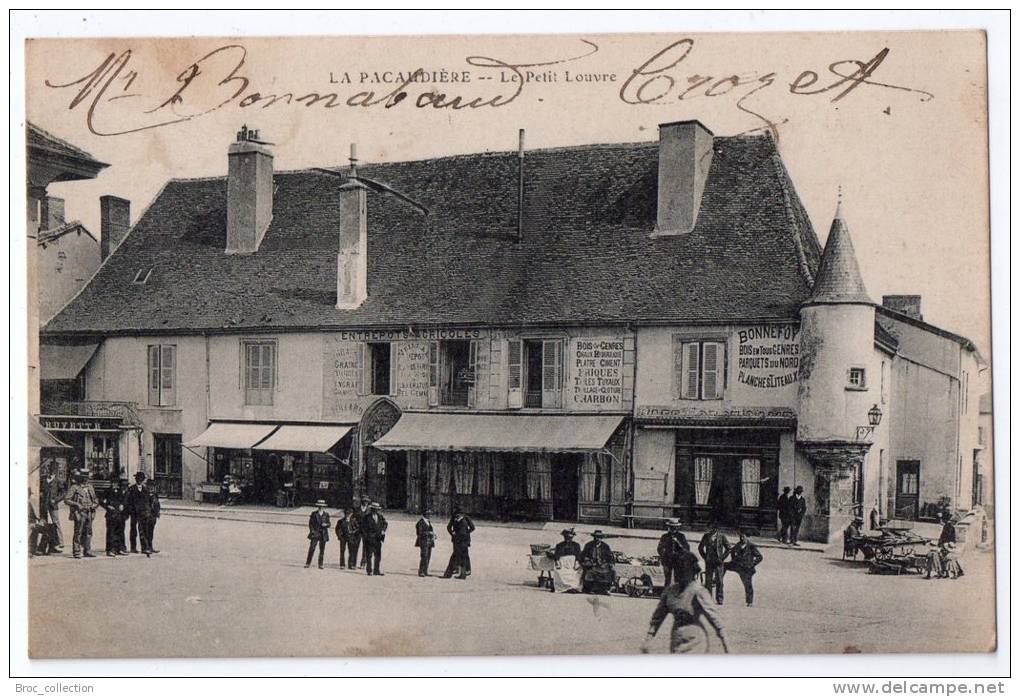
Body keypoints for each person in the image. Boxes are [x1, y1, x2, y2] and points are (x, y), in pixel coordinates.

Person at [641, 552, 730, 655]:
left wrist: (727, 647)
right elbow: (657, 618)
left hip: (696, 641)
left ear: (692, 572)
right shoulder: (669, 592)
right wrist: (648, 639)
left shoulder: (698, 591)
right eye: (677, 570)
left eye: (684, 571)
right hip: (676, 640)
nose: (680, 574)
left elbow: (715, 619)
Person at [66, 470, 99, 559]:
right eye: (84, 478)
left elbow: (96, 500)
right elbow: (67, 499)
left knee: (88, 532)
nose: (85, 479)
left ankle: (87, 550)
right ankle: (76, 551)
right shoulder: (74, 487)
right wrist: (77, 504)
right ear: (80, 478)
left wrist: (94, 505)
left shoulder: (90, 487)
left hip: (89, 512)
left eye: (87, 477)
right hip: (79, 513)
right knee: (78, 532)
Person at [725, 530, 763, 606]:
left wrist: (752, 564)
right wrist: (734, 560)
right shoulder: (738, 545)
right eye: (740, 537)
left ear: (747, 537)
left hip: (747, 568)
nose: (742, 538)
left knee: (747, 584)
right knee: (723, 565)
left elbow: (760, 557)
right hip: (738, 566)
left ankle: (750, 601)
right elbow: (732, 552)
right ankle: (716, 579)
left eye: (743, 537)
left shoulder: (751, 546)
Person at [698, 522, 731, 604]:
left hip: (718, 562)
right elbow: (700, 548)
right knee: (708, 580)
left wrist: (722, 558)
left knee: (719, 580)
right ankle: (708, 598)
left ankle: (719, 598)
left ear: (718, 529)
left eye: (715, 528)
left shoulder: (722, 537)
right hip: (709, 561)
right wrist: (705, 557)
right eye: (712, 528)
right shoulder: (706, 536)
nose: (713, 529)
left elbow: (728, 548)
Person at [579, 530, 616, 595]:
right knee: (590, 572)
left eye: (599, 537)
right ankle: (590, 588)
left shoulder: (605, 546)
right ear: (594, 537)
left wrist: (610, 563)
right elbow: (583, 555)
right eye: (596, 537)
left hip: (602, 564)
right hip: (592, 564)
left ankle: (605, 589)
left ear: (601, 538)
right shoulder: (589, 545)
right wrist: (587, 560)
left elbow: (610, 557)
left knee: (609, 572)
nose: (597, 539)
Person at [443, 509, 476, 580]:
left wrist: (467, 533)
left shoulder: (466, 518)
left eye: (459, 514)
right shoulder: (454, 518)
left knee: (459, 556)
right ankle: (461, 573)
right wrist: (452, 533)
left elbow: (473, 528)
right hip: (457, 540)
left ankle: (450, 574)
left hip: (463, 541)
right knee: (459, 556)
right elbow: (448, 527)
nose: (457, 516)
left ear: (462, 514)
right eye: (456, 514)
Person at [657, 519, 691, 588]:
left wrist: (678, 543)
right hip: (667, 560)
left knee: (678, 578)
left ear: (677, 527)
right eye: (671, 527)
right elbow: (659, 548)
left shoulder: (681, 536)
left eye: (674, 527)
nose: (672, 529)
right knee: (667, 578)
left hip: (678, 560)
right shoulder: (664, 536)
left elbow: (687, 548)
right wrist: (664, 554)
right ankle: (666, 593)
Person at [100, 479, 128, 557]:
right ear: (111, 483)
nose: (115, 484)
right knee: (111, 532)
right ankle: (110, 549)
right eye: (113, 482)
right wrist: (107, 506)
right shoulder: (107, 491)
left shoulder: (121, 491)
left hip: (120, 514)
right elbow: (101, 500)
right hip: (111, 514)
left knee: (120, 532)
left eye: (116, 483)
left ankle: (120, 548)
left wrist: (122, 505)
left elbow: (125, 500)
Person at [40, 467, 65, 553]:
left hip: (53, 505)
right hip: (44, 505)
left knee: (56, 522)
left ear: (55, 473)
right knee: (45, 524)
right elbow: (41, 490)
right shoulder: (44, 480)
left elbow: (63, 493)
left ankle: (60, 542)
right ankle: (48, 544)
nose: (50, 473)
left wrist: (56, 499)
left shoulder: (57, 481)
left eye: (52, 472)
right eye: (49, 472)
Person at [360, 502, 388, 576]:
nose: (375, 511)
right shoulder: (367, 517)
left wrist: (383, 530)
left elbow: (385, 523)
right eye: (374, 509)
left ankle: (376, 570)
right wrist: (366, 537)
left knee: (378, 555)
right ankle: (369, 570)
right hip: (369, 539)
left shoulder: (380, 516)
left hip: (378, 539)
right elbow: (362, 528)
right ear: (372, 509)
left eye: (377, 509)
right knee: (369, 555)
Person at [125, 472, 148, 553]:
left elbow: (146, 502)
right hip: (134, 513)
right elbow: (128, 501)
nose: (139, 480)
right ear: (136, 479)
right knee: (133, 530)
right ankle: (133, 547)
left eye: (141, 479)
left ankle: (144, 547)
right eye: (138, 479)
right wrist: (130, 511)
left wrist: (146, 511)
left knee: (143, 530)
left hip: (142, 513)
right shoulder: (131, 489)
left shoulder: (145, 489)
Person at [305, 500, 331, 569]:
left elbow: (329, 524)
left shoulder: (326, 514)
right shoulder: (314, 514)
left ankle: (321, 564)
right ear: (318, 506)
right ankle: (308, 563)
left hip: (323, 533)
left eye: (322, 506)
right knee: (312, 548)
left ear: (324, 507)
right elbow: (310, 524)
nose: (321, 507)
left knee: (322, 549)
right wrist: (312, 531)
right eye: (319, 506)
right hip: (315, 533)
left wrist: (326, 524)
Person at [415, 509, 437, 576]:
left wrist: (433, 534)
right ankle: (421, 571)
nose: (430, 515)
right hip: (423, 541)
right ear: (425, 514)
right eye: (429, 514)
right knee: (424, 556)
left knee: (428, 556)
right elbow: (420, 533)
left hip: (429, 541)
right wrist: (429, 533)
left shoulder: (428, 521)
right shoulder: (420, 522)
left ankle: (425, 571)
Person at [142, 480, 162, 555]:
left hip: (153, 516)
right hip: (145, 516)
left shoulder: (155, 494)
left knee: (151, 532)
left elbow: (157, 504)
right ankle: (145, 548)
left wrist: (158, 512)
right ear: (147, 486)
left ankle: (150, 547)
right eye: (150, 486)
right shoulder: (144, 494)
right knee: (145, 532)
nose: (151, 488)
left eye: (153, 486)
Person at [29, 488, 50, 556]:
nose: (29, 495)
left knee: (47, 529)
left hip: (32, 522)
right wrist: (33, 523)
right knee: (36, 529)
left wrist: (39, 520)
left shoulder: (28, 503)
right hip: (30, 523)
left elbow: (33, 515)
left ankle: (41, 549)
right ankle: (32, 550)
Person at [352, 495, 370, 569]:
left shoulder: (369, 511)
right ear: (361, 501)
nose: (365, 502)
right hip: (358, 530)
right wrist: (355, 527)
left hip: (366, 531)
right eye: (364, 501)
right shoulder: (356, 509)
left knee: (365, 547)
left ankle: (363, 563)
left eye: (366, 501)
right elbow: (353, 519)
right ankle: (353, 563)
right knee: (355, 546)